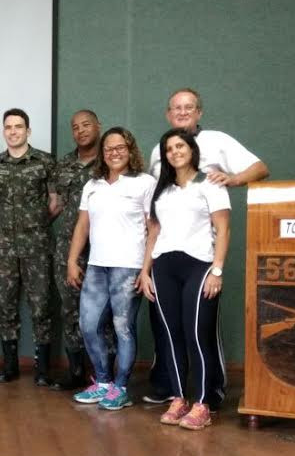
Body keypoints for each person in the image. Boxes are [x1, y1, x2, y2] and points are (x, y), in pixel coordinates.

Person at [144, 88, 270, 406]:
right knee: (168, 330)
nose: (183, 112)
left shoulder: (216, 144)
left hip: (202, 257)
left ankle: (208, 395)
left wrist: (231, 179)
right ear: (167, 114)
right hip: (165, 258)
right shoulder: (157, 154)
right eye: (176, 108)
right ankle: (173, 392)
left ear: (199, 112)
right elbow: (155, 221)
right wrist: (145, 268)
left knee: (200, 331)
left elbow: (260, 169)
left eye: (189, 107)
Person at [141, 128, 230, 430]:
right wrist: (145, 271)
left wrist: (217, 270)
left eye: (180, 146)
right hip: (164, 266)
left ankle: (202, 403)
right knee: (170, 336)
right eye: (169, 148)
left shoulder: (210, 183)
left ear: (191, 149)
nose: (174, 152)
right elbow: (153, 232)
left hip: (199, 266)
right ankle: (178, 399)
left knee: (196, 334)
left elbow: (224, 229)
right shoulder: (161, 189)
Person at [66, 127, 156, 410]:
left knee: (122, 327)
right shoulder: (93, 185)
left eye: (120, 147)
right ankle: (103, 382)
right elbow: (83, 225)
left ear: (130, 150)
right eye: (109, 149)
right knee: (88, 325)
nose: (114, 152)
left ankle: (121, 388)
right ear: (102, 154)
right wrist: (72, 260)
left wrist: (145, 269)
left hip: (128, 267)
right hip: (96, 266)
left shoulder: (144, 182)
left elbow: (154, 228)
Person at [0, 108, 59, 386]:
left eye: (18, 126)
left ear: (28, 130)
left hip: (37, 245)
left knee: (41, 307)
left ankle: (42, 369)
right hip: (2, 247)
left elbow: (55, 202)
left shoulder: (44, 162)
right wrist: (6, 224)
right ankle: (10, 365)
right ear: (4, 131)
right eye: (8, 127)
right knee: (7, 306)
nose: (13, 131)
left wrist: (34, 224)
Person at [51, 109, 104, 391]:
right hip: (68, 248)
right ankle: (75, 372)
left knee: (102, 314)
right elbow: (57, 204)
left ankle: (102, 375)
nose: (81, 130)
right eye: (75, 127)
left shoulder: (111, 160)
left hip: (104, 248)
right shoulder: (64, 165)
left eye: (86, 125)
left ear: (98, 126)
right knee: (71, 311)